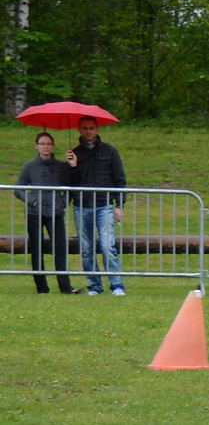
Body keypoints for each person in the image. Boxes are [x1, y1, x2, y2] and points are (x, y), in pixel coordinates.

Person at [66, 115, 127, 295]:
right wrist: (72, 166)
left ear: (97, 129)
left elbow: (119, 179)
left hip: (104, 205)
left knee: (108, 246)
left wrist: (119, 205)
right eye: (84, 128)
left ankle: (117, 285)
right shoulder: (74, 153)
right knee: (86, 249)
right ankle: (95, 285)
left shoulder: (110, 151)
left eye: (91, 128)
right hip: (81, 205)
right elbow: (70, 182)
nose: (88, 131)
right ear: (79, 130)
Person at [14, 132, 76, 294]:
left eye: (48, 144)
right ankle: (41, 287)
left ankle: (65, 287)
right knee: (37, 249)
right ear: (37, 146)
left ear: (53, 146)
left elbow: (69, 186)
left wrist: (63, 202)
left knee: (60, 249)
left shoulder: (61, 166)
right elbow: (18, 188)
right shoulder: (29, 166)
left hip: (55, 212)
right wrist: (31, 201)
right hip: (35, 213)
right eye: (42, 144)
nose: (46, 147)